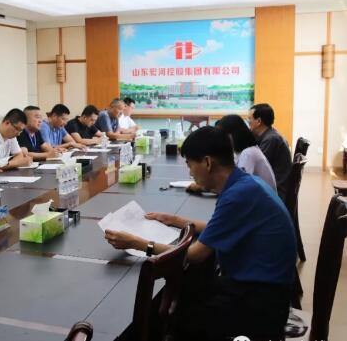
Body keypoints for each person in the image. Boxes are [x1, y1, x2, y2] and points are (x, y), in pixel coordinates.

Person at [104, 126, 296, 340]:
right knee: (180, 292)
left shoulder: (238, 195)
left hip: (261, 303)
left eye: (189, 164)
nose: (189, 173)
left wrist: (137, 243)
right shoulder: (243, 183)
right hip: (261, 286)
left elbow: (193, 255)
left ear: (207, 162)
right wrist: (175, 220)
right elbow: (220, 228)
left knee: (173, 316)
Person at [247, 103, 292, 195]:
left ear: (258, 121)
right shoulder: (269, 135)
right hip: (274, 186)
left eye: (250, 119)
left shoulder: (271, 139)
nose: (248, 122)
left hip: (274, 191)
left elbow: (256, 167)